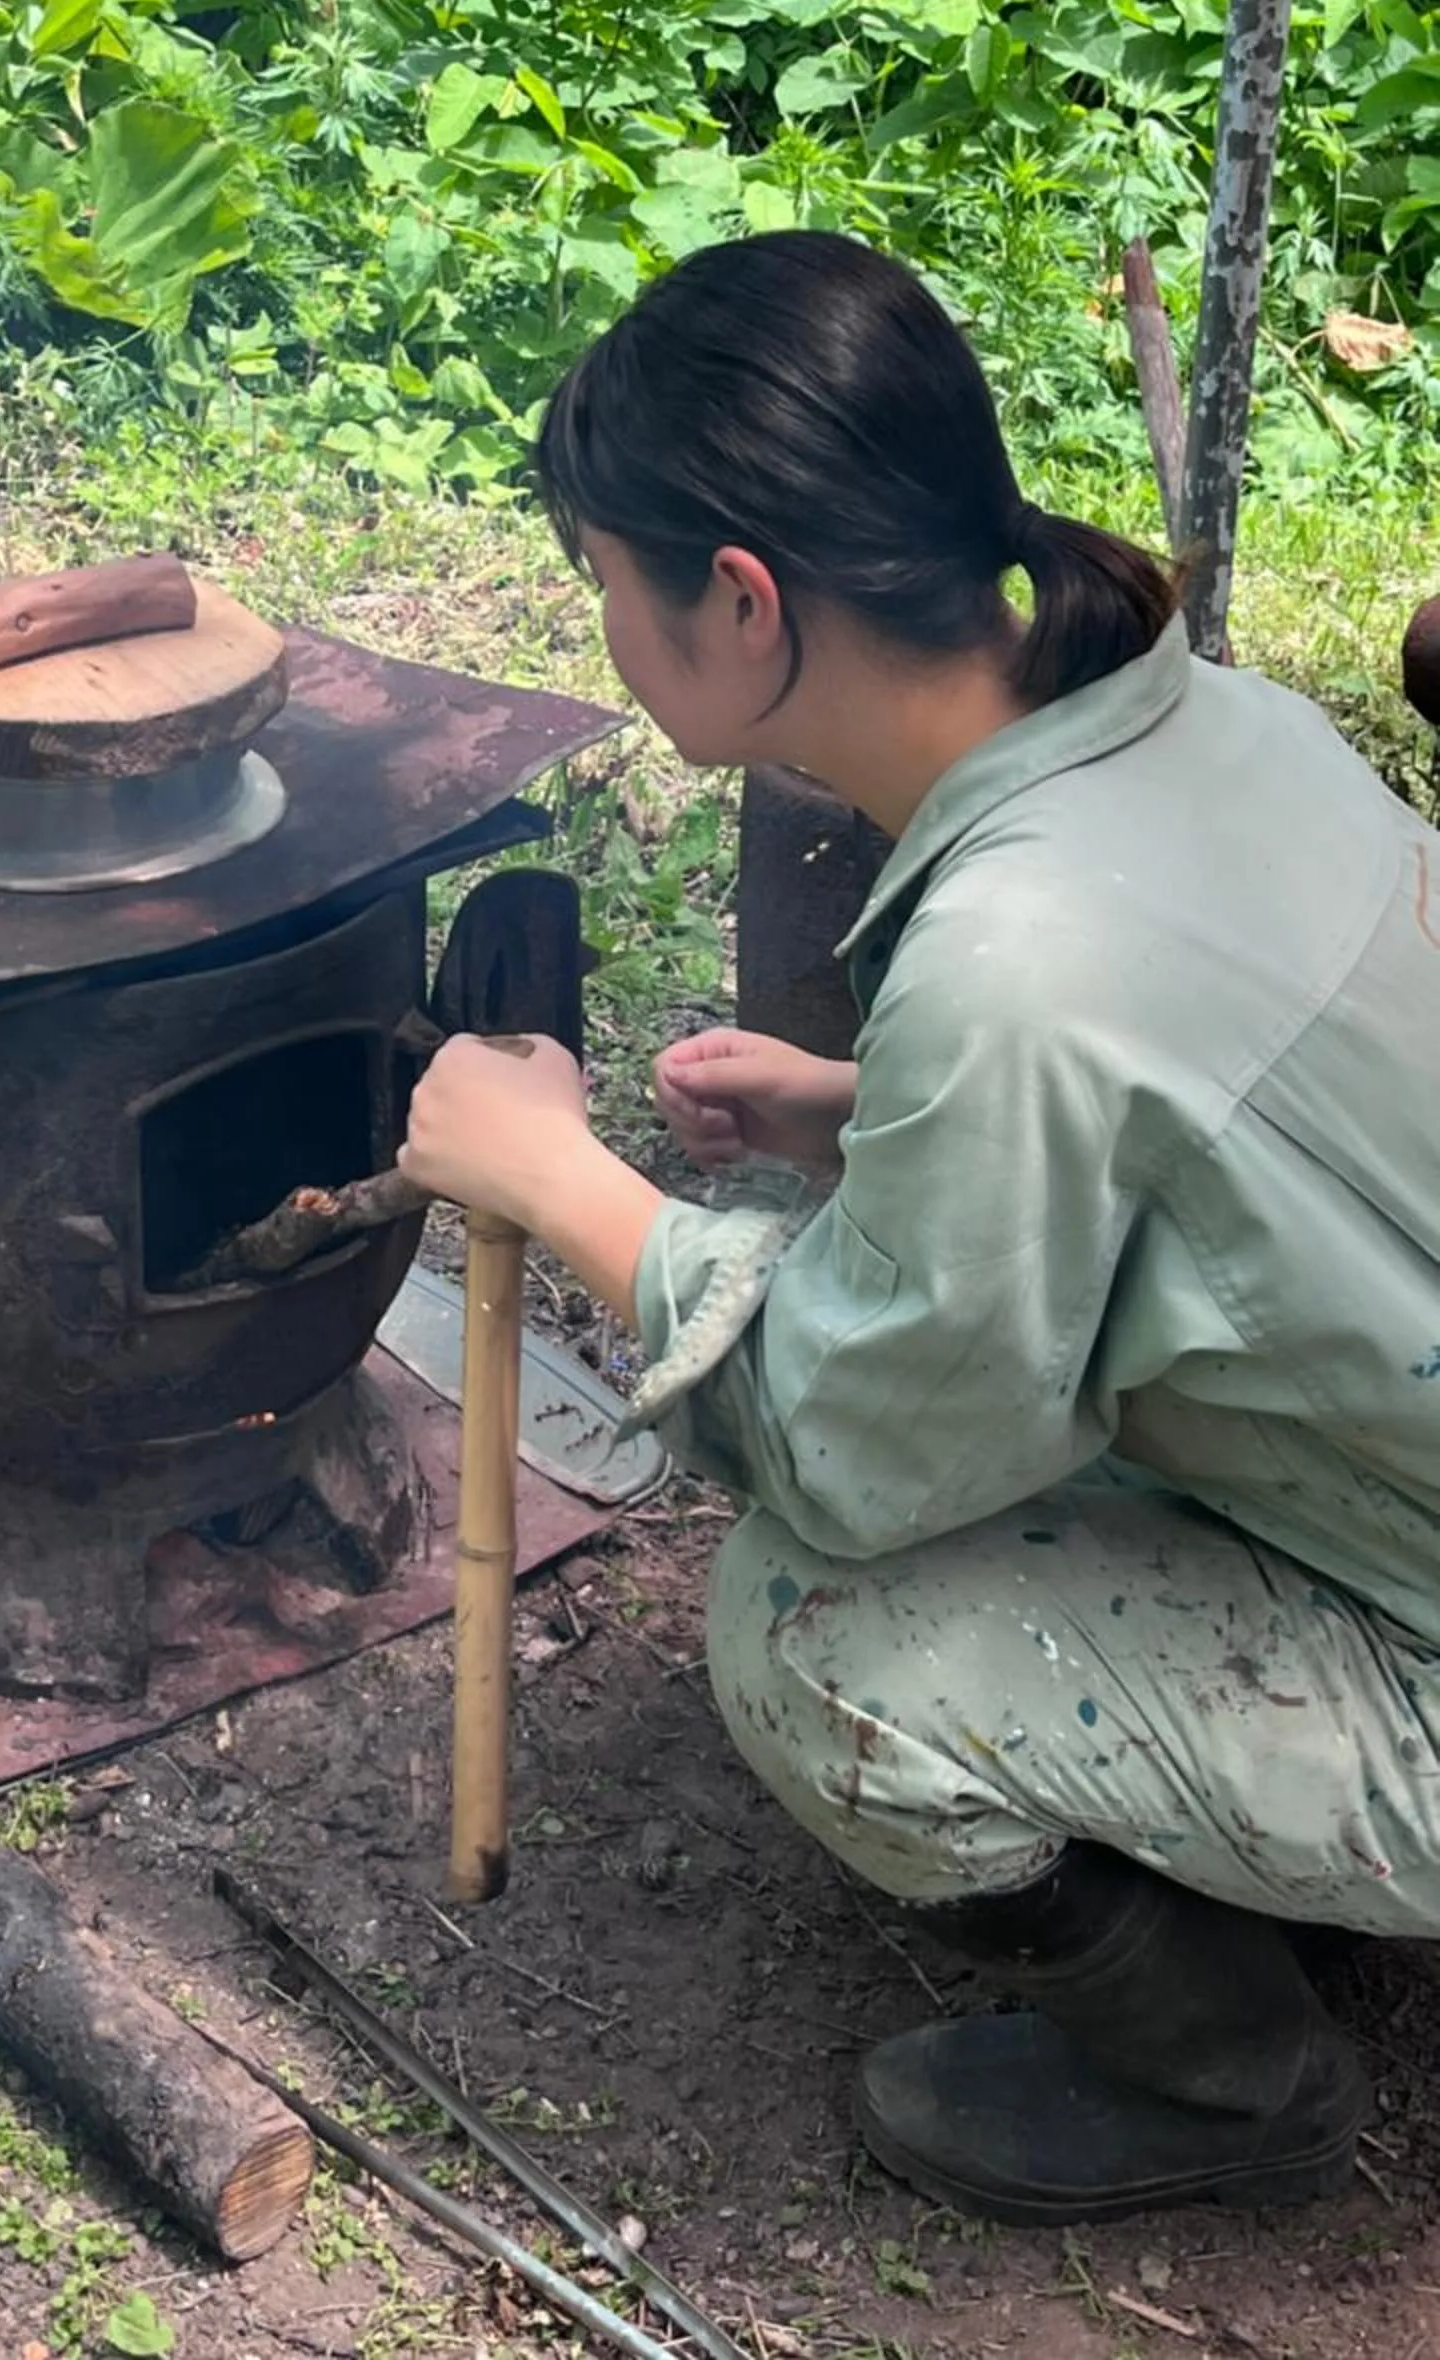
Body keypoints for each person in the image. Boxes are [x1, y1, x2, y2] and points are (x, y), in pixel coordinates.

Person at [400, 230, 1440, 2228]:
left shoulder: (1016, 956)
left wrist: (567, 1189)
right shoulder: (1216, 730)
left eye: (606, 585)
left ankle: (1234, 2085)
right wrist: (868, 1113)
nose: (604, 631)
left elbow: (871, 1452)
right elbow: (1227, 1156)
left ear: (741, 602)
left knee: (812, 1635)